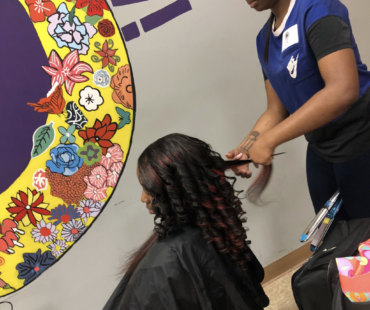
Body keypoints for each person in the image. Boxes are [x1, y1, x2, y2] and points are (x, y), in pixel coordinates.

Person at [227, 0, 370, 222]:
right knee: (331, 235)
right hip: (321, 146)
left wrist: (270, 139)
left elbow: (343, 90)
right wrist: (246, 148)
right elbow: (276, 109)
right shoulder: (264, 39)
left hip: (361, 136)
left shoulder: (319, 10)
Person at [103, 134, 269, 310]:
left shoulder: (169, 258)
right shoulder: (218, 226)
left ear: (176, 190)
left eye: (147, 188)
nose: (143, 198)